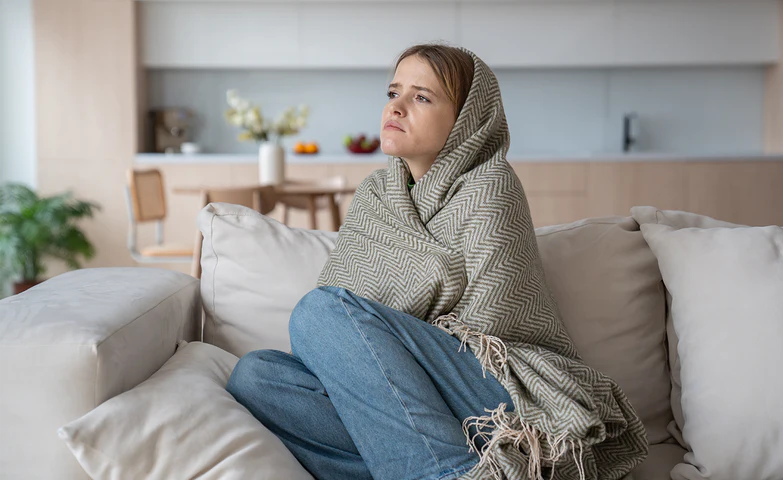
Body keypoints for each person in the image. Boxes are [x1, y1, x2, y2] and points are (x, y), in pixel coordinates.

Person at [226, 43, 648, 480]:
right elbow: (349, 338)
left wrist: (385, 335)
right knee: (255, 376)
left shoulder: (489, 185)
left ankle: (442, 472)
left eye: (422, 97)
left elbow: (493, 330)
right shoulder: (375, 195)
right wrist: (374, 341)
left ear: (466, 119)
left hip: (493, 386)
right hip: (404, 399)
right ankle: (445, 467)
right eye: (394, 93)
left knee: (319, 311)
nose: (398, 107)